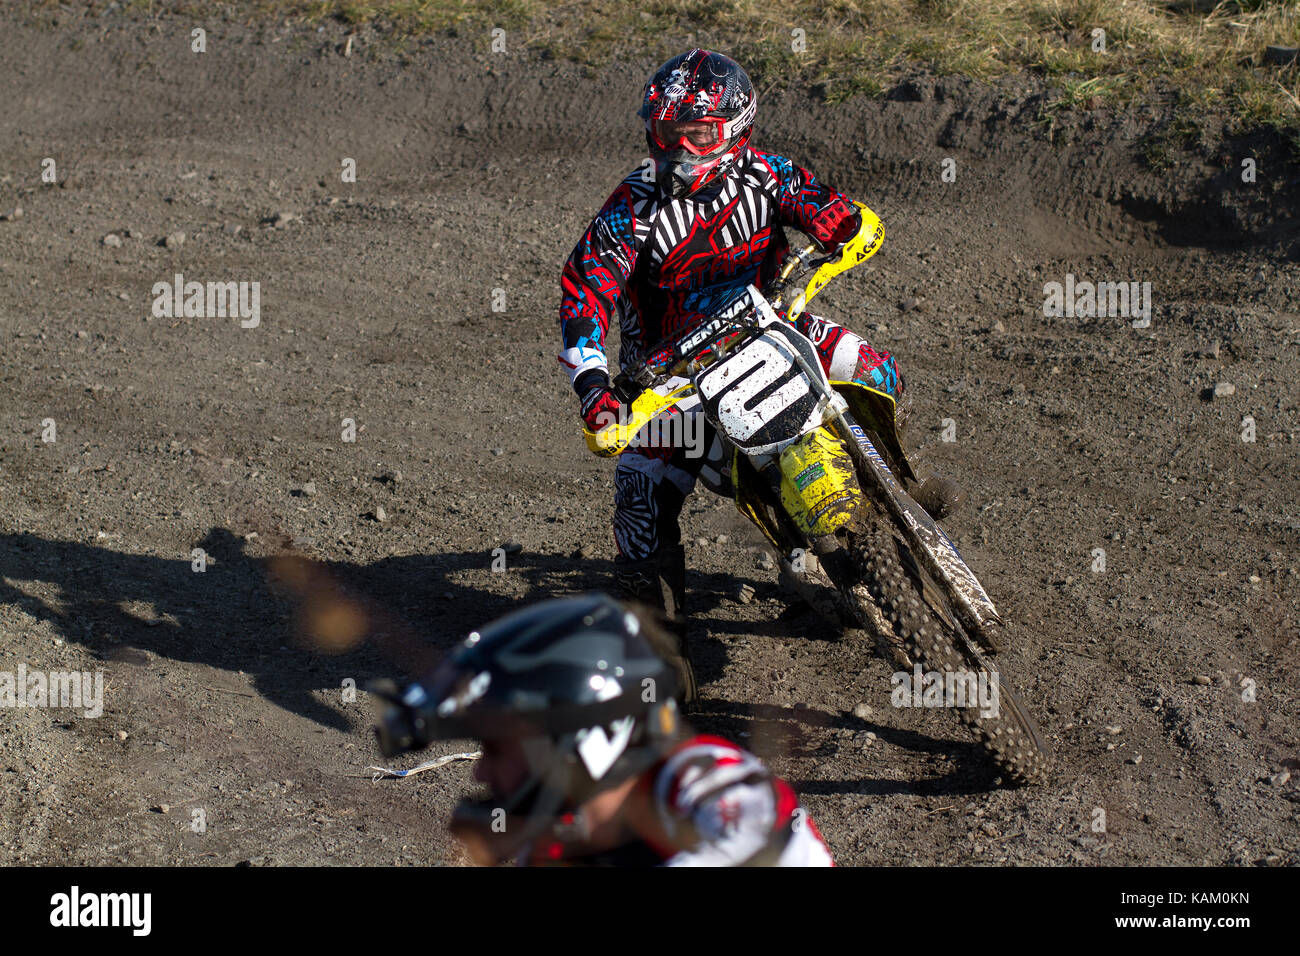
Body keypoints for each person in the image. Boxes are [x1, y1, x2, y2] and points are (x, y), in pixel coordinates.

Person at [557, 49, 960, 633]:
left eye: (697, 133)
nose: (678, 148)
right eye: (667, 131)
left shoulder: (768, 175)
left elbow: (836, 214)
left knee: (874, 367)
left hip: (771, 330)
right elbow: (584, 295)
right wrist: (595, 389)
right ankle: (662, 666)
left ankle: (899, 483)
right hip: (669, 381)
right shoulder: (629, 211)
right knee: (639, 495)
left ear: (735, 128)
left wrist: (844, 235)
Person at [375, 593, 833, 866]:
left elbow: (754, 834)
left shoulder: (698, 775)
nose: (480, 775)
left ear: (578, 739)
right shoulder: (550, 848)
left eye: (495, 749)